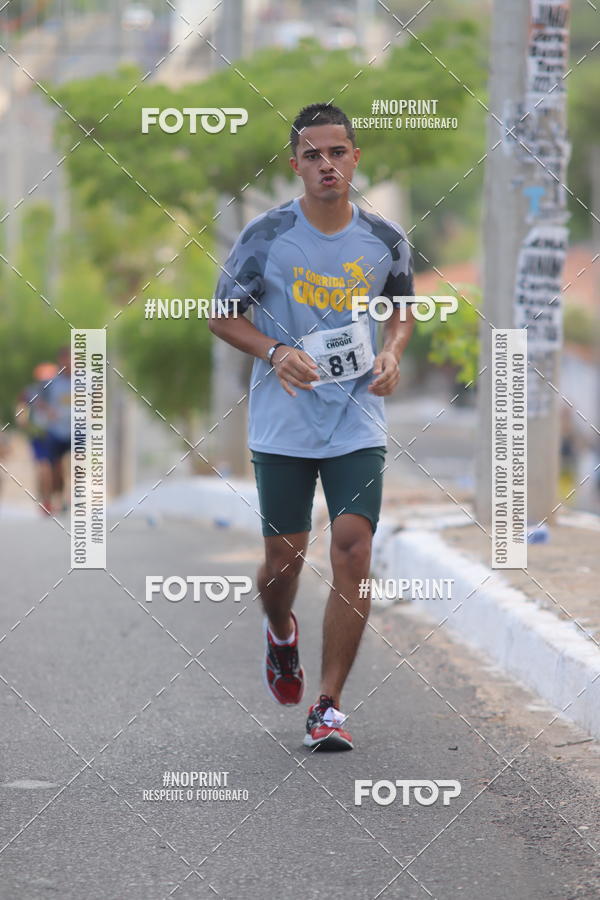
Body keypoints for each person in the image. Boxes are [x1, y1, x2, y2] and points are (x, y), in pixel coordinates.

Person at [209, 103, 416, 751]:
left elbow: (402, 309)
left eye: (338, 152)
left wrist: (392, 354)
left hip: (356, 419)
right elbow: (220, 315)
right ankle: (280, 634)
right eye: (312, 155)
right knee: (283, 563)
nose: (326, 164)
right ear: (295, 165)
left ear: (355, 158)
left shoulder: (385, 239)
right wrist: (275, 352)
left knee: (353, 548)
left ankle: (327, 705)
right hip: (283, 423)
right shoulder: (266, 237)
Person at [17, 363, 58, 515]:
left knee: (57, 469)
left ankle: (58, 498)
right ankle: (45, 500)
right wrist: (24, 422)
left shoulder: (58, 393)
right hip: (38, 435)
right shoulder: (30, 392)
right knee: (43, 468)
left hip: (56, 435)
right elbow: (21, 409)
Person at [45, 347, 72, 512]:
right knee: (58, 468)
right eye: (63, 360)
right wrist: (49, 412)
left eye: (69, 359)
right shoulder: (53, 383)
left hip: (78, 429)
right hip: (57, 431)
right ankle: (60, 498)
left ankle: (75, 496)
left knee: (77, 462)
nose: (67, 363)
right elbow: (43, 403)